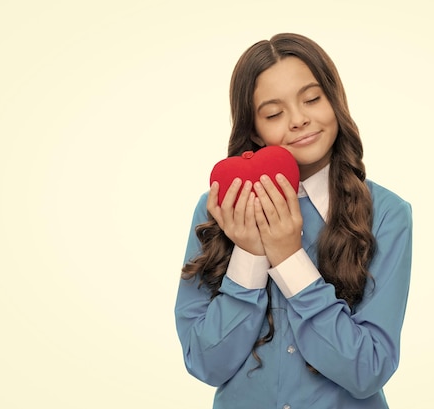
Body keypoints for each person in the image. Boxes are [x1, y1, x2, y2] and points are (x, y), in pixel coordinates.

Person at [175, 33, 412, 409]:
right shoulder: (219, 208)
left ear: (334, 99)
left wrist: (288, 259)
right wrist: (250, 254)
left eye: (312, 99)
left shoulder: (387, 214)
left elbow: (368, 369)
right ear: (253, 128)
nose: (299, 120)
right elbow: (205, 363)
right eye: (273, 113)